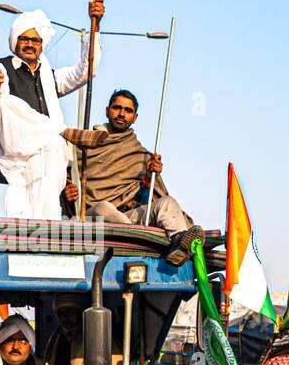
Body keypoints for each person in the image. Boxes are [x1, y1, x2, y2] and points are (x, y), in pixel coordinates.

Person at [0, 1, 107, 218]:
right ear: (15, 41)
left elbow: (85, 71)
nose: (30, 44)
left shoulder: (49, 76)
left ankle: (42, 224)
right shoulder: (2, 65)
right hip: (5, 140)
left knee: (55, 146)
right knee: (3, 101)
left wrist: (95, 27)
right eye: (24, 39)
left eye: (35, 40)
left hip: (39, 145)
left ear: (42, 44)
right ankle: (64, 131)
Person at [69, 88, 203, 266]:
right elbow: (64, 180)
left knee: (167, 202)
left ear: (135, 117)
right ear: (107, 111)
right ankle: (144, 243)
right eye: (117, 108)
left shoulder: (141, 156)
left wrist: (149, 177)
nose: (122, 114)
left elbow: (148, 198)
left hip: (128, 218)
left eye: (128, 110)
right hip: (94, 217)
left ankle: (179, 241)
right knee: (104, 208)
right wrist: (68, 190)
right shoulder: (84, 146)